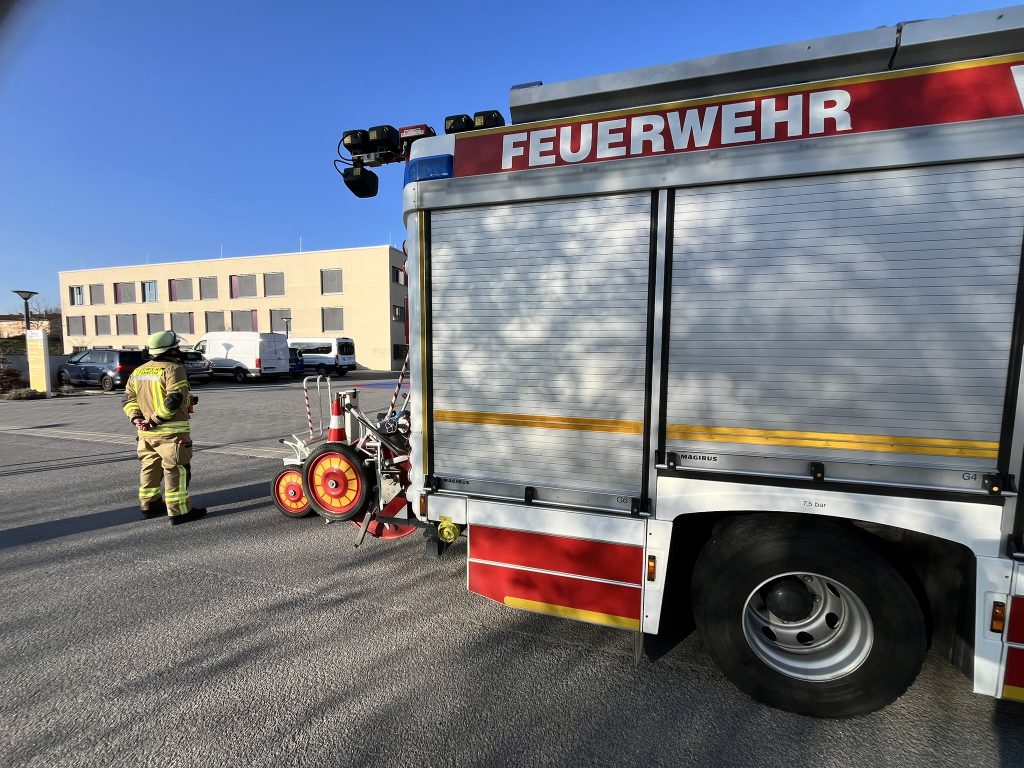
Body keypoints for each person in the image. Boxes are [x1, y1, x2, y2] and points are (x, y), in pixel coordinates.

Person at [122, 331, 207, 525]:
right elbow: (174, 399)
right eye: (176, 347)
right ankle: (180, 511)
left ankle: (149, 505)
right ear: (171, 349)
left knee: (149, 467)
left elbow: (128, 399)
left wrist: (137, 418)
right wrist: (154, 420)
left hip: (145, 434)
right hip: (171, 433)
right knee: (176, 469)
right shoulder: (173, 369)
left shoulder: (139, 371)